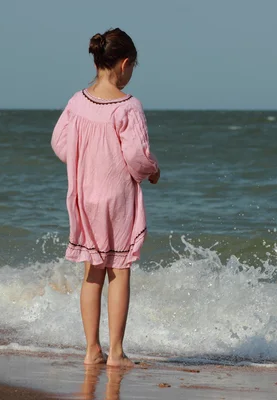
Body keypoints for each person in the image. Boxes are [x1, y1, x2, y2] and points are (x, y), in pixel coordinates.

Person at [51, 28, 160, 368]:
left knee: (92, 272)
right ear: (125, 64)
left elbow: (60, 143)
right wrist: (153, 171)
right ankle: (116, 352)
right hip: (118, 199)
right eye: (132, 67)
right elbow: (136, 157)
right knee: (120, 271)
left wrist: (87, 161)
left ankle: (90, 350)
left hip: (85, 197)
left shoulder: (76, 101)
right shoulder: (129, 106)